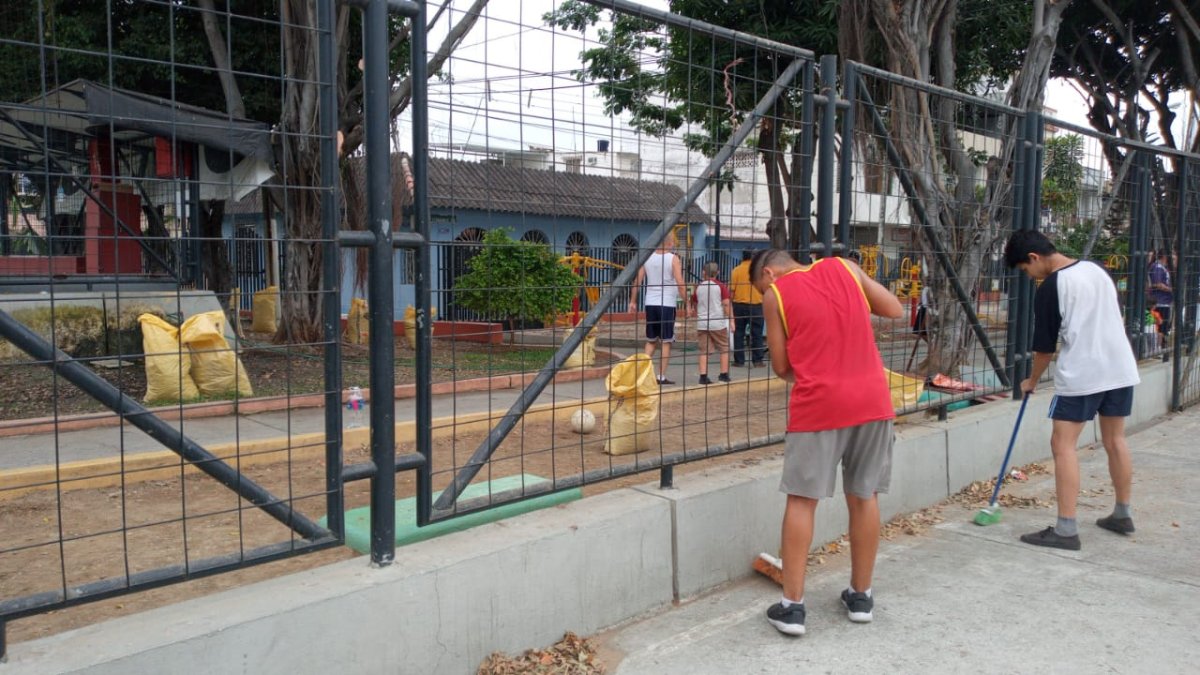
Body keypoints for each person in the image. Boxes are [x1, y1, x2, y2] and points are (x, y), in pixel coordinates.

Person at [750, 248, 904, 637]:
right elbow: (895, 309)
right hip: (872, 400)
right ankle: (861, 597)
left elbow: (782, 366)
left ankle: (792, 607)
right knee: (864, 495)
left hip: (819, 407)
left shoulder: (777, 294)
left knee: (803, 499)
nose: (762, 293)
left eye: (759, 287)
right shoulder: (845, 267)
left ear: (769, 273)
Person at [1004, 230, 1140, 551]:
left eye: (1026, 270)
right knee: (1115, 440)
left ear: (1034, 258)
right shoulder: (1096, 270)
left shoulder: (1052, 286)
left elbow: (1043, 348)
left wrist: (1032, 380)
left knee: (1062, 444)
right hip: (1119, 368)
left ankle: (1066, 529)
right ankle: (1122, 513)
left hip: (1083, 374)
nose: (1029, 276)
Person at [628, 232, 687, 386]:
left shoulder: (647, 258)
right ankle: (660, 376)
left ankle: (640, 373)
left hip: (650, 303)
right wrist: (688, 303)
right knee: (666, 341)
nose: (674, 244)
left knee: (651, 340)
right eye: (673, 241)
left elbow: (637, 281)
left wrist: (633, 301)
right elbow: (680, 283)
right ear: (669, 243)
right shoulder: (673, 259)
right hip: (666, 304)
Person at [690, 261, 732, 385]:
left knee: (704, 350)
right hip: (717, 322)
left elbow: (695, 302)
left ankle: (703, 376)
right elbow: (726, 304)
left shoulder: (699, 287)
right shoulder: (721, 286)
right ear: (717, 272)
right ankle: (723, 374)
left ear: (703, 272)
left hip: (702, 323)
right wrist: (731, 319)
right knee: (724, 348)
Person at [728, 249, 766, 367]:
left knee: (738, 333)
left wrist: (730, 304)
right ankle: (758, 360)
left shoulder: (736, 271)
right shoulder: (759, 272)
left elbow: (732, 291)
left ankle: (739, 361)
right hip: (756, 305)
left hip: (739, 305)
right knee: (757, 333)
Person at [1148, 249, 1173, 349]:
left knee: (1163, 325)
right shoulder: (1158, 267)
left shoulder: (1164, 267)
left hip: (1165, 301)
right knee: (1160, 325)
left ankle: (1159, 346)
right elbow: (1158, 284)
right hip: (1160, 301)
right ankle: (1157, 347)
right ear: (1165, 256)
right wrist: (1171, 289)